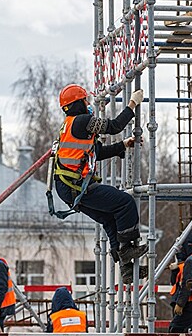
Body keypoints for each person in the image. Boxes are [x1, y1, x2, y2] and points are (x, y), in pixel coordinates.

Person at [54, 84, 148, 282]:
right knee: (124, 203)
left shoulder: (71, 126)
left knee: (109, 218)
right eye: (85, 101)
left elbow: (96, 152)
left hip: (67, 187)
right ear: (77, 104)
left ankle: (126, 268)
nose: (88, 104)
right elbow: (114, 126)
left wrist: (122, 145)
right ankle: (126, 249)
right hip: (75, 186)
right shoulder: (82, 121)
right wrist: (132, 104)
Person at [168, 231, 192, 333]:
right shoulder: (187, 262)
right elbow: (175, 283)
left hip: (188, 304)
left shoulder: (190, 261)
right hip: (187, 302)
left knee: (175, 329)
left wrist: (180, 304)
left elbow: (187, 285)